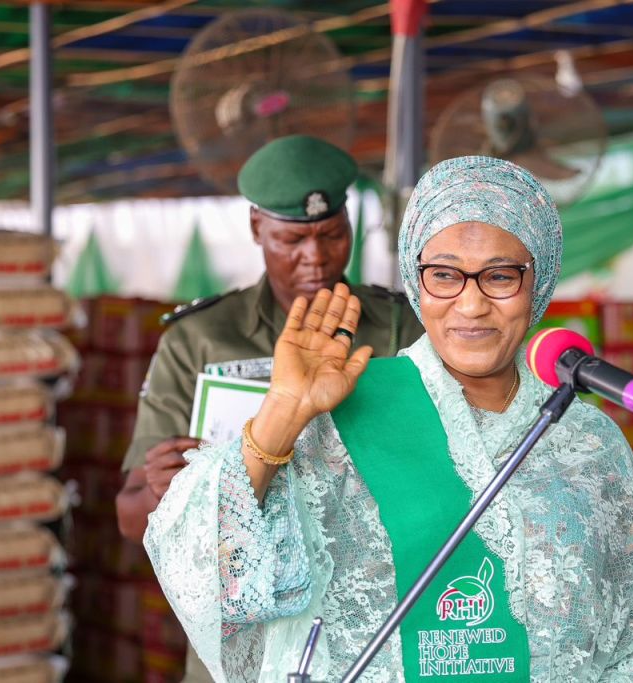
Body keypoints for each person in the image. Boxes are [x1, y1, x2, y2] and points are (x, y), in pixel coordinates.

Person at [143, 156, 633, 682]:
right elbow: (211, 581)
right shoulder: (339, 420)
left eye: (501, 276)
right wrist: (283, 415)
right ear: (417, 282)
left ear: (539, 282)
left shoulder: (587, 439)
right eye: (444, 275)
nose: (470, 304)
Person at [115, 135, 423, 683]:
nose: (316, 257)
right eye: (292, 240)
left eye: (332, 235)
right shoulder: (200, 339)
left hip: (375, 627)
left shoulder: (399, 326)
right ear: (257, 228)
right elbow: (129, 516)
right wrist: (169, 494)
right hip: (244, 644)